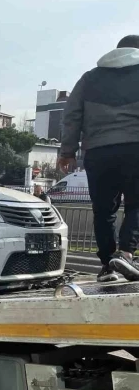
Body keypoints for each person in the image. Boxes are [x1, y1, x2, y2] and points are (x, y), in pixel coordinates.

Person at [60, 35, 139, 282]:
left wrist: (67, 151)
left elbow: (72, 115)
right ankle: (125, 254)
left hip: (97, 152)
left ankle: (108, 265)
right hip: (135, 147)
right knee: (137, 205)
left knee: (103, 211)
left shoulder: (89, 78)